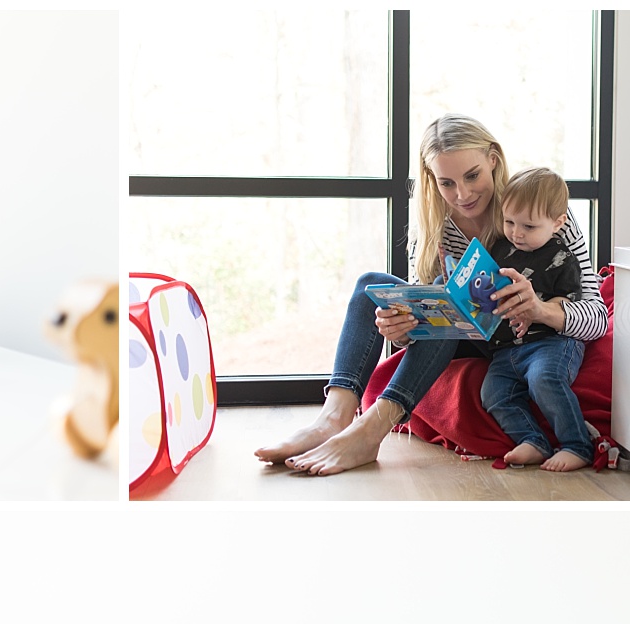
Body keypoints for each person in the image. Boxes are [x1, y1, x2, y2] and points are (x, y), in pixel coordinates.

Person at [255, 114, 608, 476]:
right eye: (447, 183)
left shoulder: (537, 210)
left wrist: (540, 309)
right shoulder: (433, 224)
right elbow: (420, 332)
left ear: (493, 160)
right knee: (371, 285)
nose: (463, 195)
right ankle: (334, 416)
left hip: (517, 340)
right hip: (461, 337)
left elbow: (597, 318)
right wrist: (401, 328)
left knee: (446, 322)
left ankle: (370, 430)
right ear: (431, 180)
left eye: (472, 176)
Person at [480, 167, 592, 472]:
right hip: (506, 349)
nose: (516, 232)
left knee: (544, 379)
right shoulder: (501, 249)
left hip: (551, 343)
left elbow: (567, 300)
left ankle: (577, 445)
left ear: (557, 223)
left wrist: (538, 310)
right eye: (509, 222)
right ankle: (533, 440)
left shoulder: (561, 256)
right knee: (493, 392)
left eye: (529, 226)